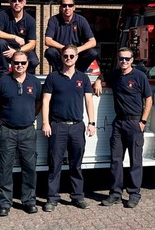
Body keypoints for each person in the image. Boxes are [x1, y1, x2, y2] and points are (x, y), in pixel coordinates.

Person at [93, 47, 153, 208]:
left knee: (135, 161)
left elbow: (149, 99)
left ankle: (134, 194)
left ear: (132, 60)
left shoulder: (140, 76)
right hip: (118, 123)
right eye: (121, 59)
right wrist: (98, 80)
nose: (124, 61)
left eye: (127, 59)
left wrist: (143, 121)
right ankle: (115, 194)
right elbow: (103, 75)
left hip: (135, 123)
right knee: (115, 160)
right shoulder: (115, 75)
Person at [41, 45, 96, 212]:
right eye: (65, 56)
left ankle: (78, 197)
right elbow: (45, 101)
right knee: (54, 164)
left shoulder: (83, 78)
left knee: (76, 164)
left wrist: (92, 123)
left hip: (77, 127)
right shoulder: (53, 77)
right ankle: (52, 198)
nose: (68, 59)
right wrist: (45, 122)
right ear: (61, 57)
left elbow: (89, 101)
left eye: (72, 56)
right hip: (58, 126)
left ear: (77, 57)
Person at [0, 50, 42, 216]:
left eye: (23, 63)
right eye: (16, 62)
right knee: (5, 168)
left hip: (27, 131)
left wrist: (30, 117)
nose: (19, 65)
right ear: (11, 64)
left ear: (27, 64)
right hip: (7, 131)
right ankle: (4, 203)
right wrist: (6, 119)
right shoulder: (3, 81)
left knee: (30, 168)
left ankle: (29, 201)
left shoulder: (34, 82)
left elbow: (39, 103)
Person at [44, 0, 98, 73]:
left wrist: (78, 49)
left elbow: (93, 42)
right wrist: (65, 49)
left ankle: (79, 73)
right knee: (50, 52)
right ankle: (58, 73)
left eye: (70, 5)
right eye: (64, 5)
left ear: (74, 7)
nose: (67, 8)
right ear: (60, 7)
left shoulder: (81, 20)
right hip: (61, 52)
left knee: (93, 53)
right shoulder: (54, 20)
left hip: (77, 53)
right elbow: (48, 40)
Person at [0, 0, 39, 76]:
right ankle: (3, 75)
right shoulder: (3, 15)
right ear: (10, 2)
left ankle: (25, 78)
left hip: (21, 49)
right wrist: (14, 37)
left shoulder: (30, 20)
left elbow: (32, 44)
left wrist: (17, 51)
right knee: (0, 43)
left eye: (20, 1)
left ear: (24, 2)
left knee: (34, 61)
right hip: (6, 48)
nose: (17, 3)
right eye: (14, 1)